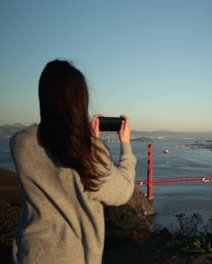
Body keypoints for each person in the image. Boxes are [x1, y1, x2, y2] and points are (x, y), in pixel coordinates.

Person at [10, 59, 136, 264]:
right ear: (80, 101)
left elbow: (51, 144)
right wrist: (124, 146)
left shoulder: (20, 144)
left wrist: (88, 140)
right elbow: (123, 191)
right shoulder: (90, 154)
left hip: (29, 255)